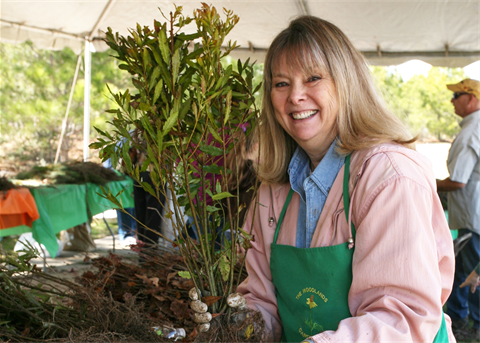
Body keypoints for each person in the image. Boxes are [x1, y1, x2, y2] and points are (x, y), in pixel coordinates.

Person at [233, 16, 455, 343]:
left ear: (345, 83)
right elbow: (263, 300)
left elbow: (403, 319)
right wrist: (241, 328)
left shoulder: (388, 176)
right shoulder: (272, 190)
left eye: (313, 78)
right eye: (281, 83)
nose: (295, 96)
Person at [437, 78, 480, 340]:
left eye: (457, 96)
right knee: (466, 272)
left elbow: (457, 181)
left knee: (472, 275)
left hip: (472, 218)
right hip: (472, 214)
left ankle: (471, 324)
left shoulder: (470, 132)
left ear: (472, 99)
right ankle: (465, 319)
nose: (452, 101)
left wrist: (430, 184)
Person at [103, 157, 137, 246]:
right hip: (119, 181)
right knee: (123, 206)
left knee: (134, 207)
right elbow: (107, 166)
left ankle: (134, 234)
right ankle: (126, 235)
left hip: (132, 179)